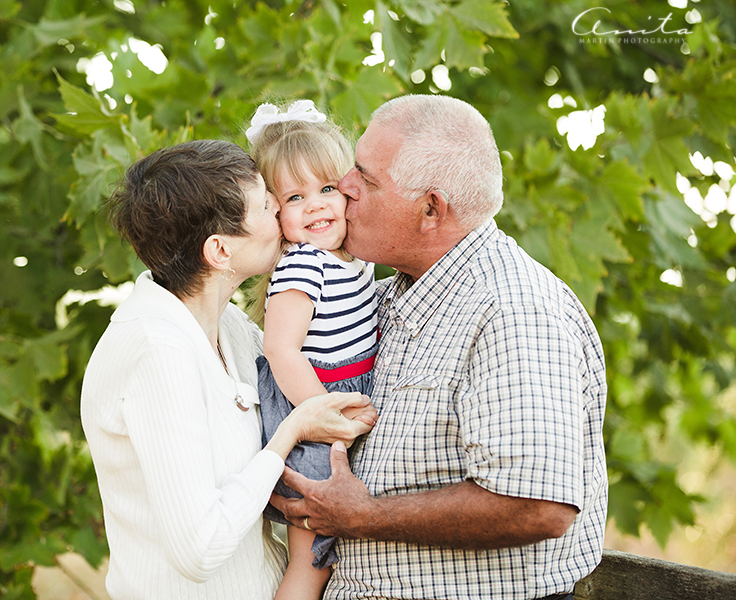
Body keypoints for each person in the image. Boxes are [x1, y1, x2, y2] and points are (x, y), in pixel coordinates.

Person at [270, 94, 609, 600]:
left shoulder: (514, 312)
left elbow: (539, 506)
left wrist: (365, 518)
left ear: (431, 209)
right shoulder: (389, 292)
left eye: (366, 177)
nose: (344, 187)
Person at [79, 139, 378, 600]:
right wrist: (293, 432)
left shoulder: (230, 326)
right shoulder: (156, 353)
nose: (282, 208)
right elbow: (200, 549)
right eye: (265, 204)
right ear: (219, 251)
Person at [245, 101, 378, 599]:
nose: (317, 205)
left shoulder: (349, 259)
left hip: (336, 397)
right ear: (277, 214)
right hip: (310, 403)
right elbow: (281, 349)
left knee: (333, 548)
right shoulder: (304, 264)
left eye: (326, 189)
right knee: (313, 556)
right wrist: (319, 412)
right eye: (296, 197)